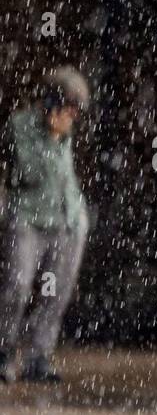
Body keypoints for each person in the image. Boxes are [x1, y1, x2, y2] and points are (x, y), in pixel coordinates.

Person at [0, 66, 91, 384]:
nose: (71, 118)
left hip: (66, 221)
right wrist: (51, 137)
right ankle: (4, 352)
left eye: (74, 113)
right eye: (67, 110)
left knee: (57, 293)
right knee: (16, 286)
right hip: (28, 218)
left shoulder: (64, 131)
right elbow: (27, 172)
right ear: (51, 104)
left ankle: (38, 358)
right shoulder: (20, 126)